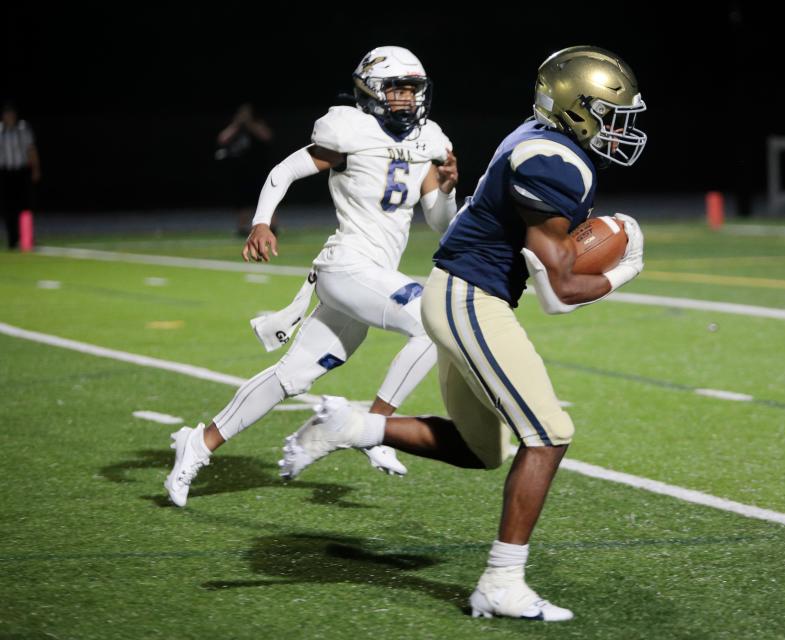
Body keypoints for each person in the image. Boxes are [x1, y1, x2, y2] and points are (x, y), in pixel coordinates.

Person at [282, 46, 647, 621]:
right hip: (469, 299)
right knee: (549, 434)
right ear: (576, 109)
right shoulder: (555, 162)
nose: (620, 128)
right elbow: (558, 293)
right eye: (609, 112)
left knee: (482, 450)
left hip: (455, 292)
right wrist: (625, 268)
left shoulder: (538, 137)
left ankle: (353, 424)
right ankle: (500, 582)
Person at [165, 46, 459, 507]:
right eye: (395, 89)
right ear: (370, 91)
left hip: (371, 276)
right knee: (433, 319)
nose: (404, 99)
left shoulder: (430, 140)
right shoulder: (349, 129)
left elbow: (441, 222)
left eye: (412, 90)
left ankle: (199, 443)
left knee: (291, 377)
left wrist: (446, 189)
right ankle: (374, 428)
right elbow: (284, 171)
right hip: (345, 266)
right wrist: (262, 221)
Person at [214, 103, 274, 236]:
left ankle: (272, 226)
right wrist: (237, 124)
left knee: (266, 196)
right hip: (241, 170)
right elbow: (222, 139)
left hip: (259, 168)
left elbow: (266, 136)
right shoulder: (236, 126)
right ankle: (242, 228)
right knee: (242, 200)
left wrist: (250, 124)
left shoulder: (257, 123)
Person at [0, 102, 41, 249]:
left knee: (26, 206)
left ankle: (27, 239)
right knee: (8, 208)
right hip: (6, 173)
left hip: (22, 172)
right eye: (6, 114)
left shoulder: (23, 129)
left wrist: (35, 168)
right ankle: (12, 240)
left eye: (11, 113)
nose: (9, 116)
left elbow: (31, 150)